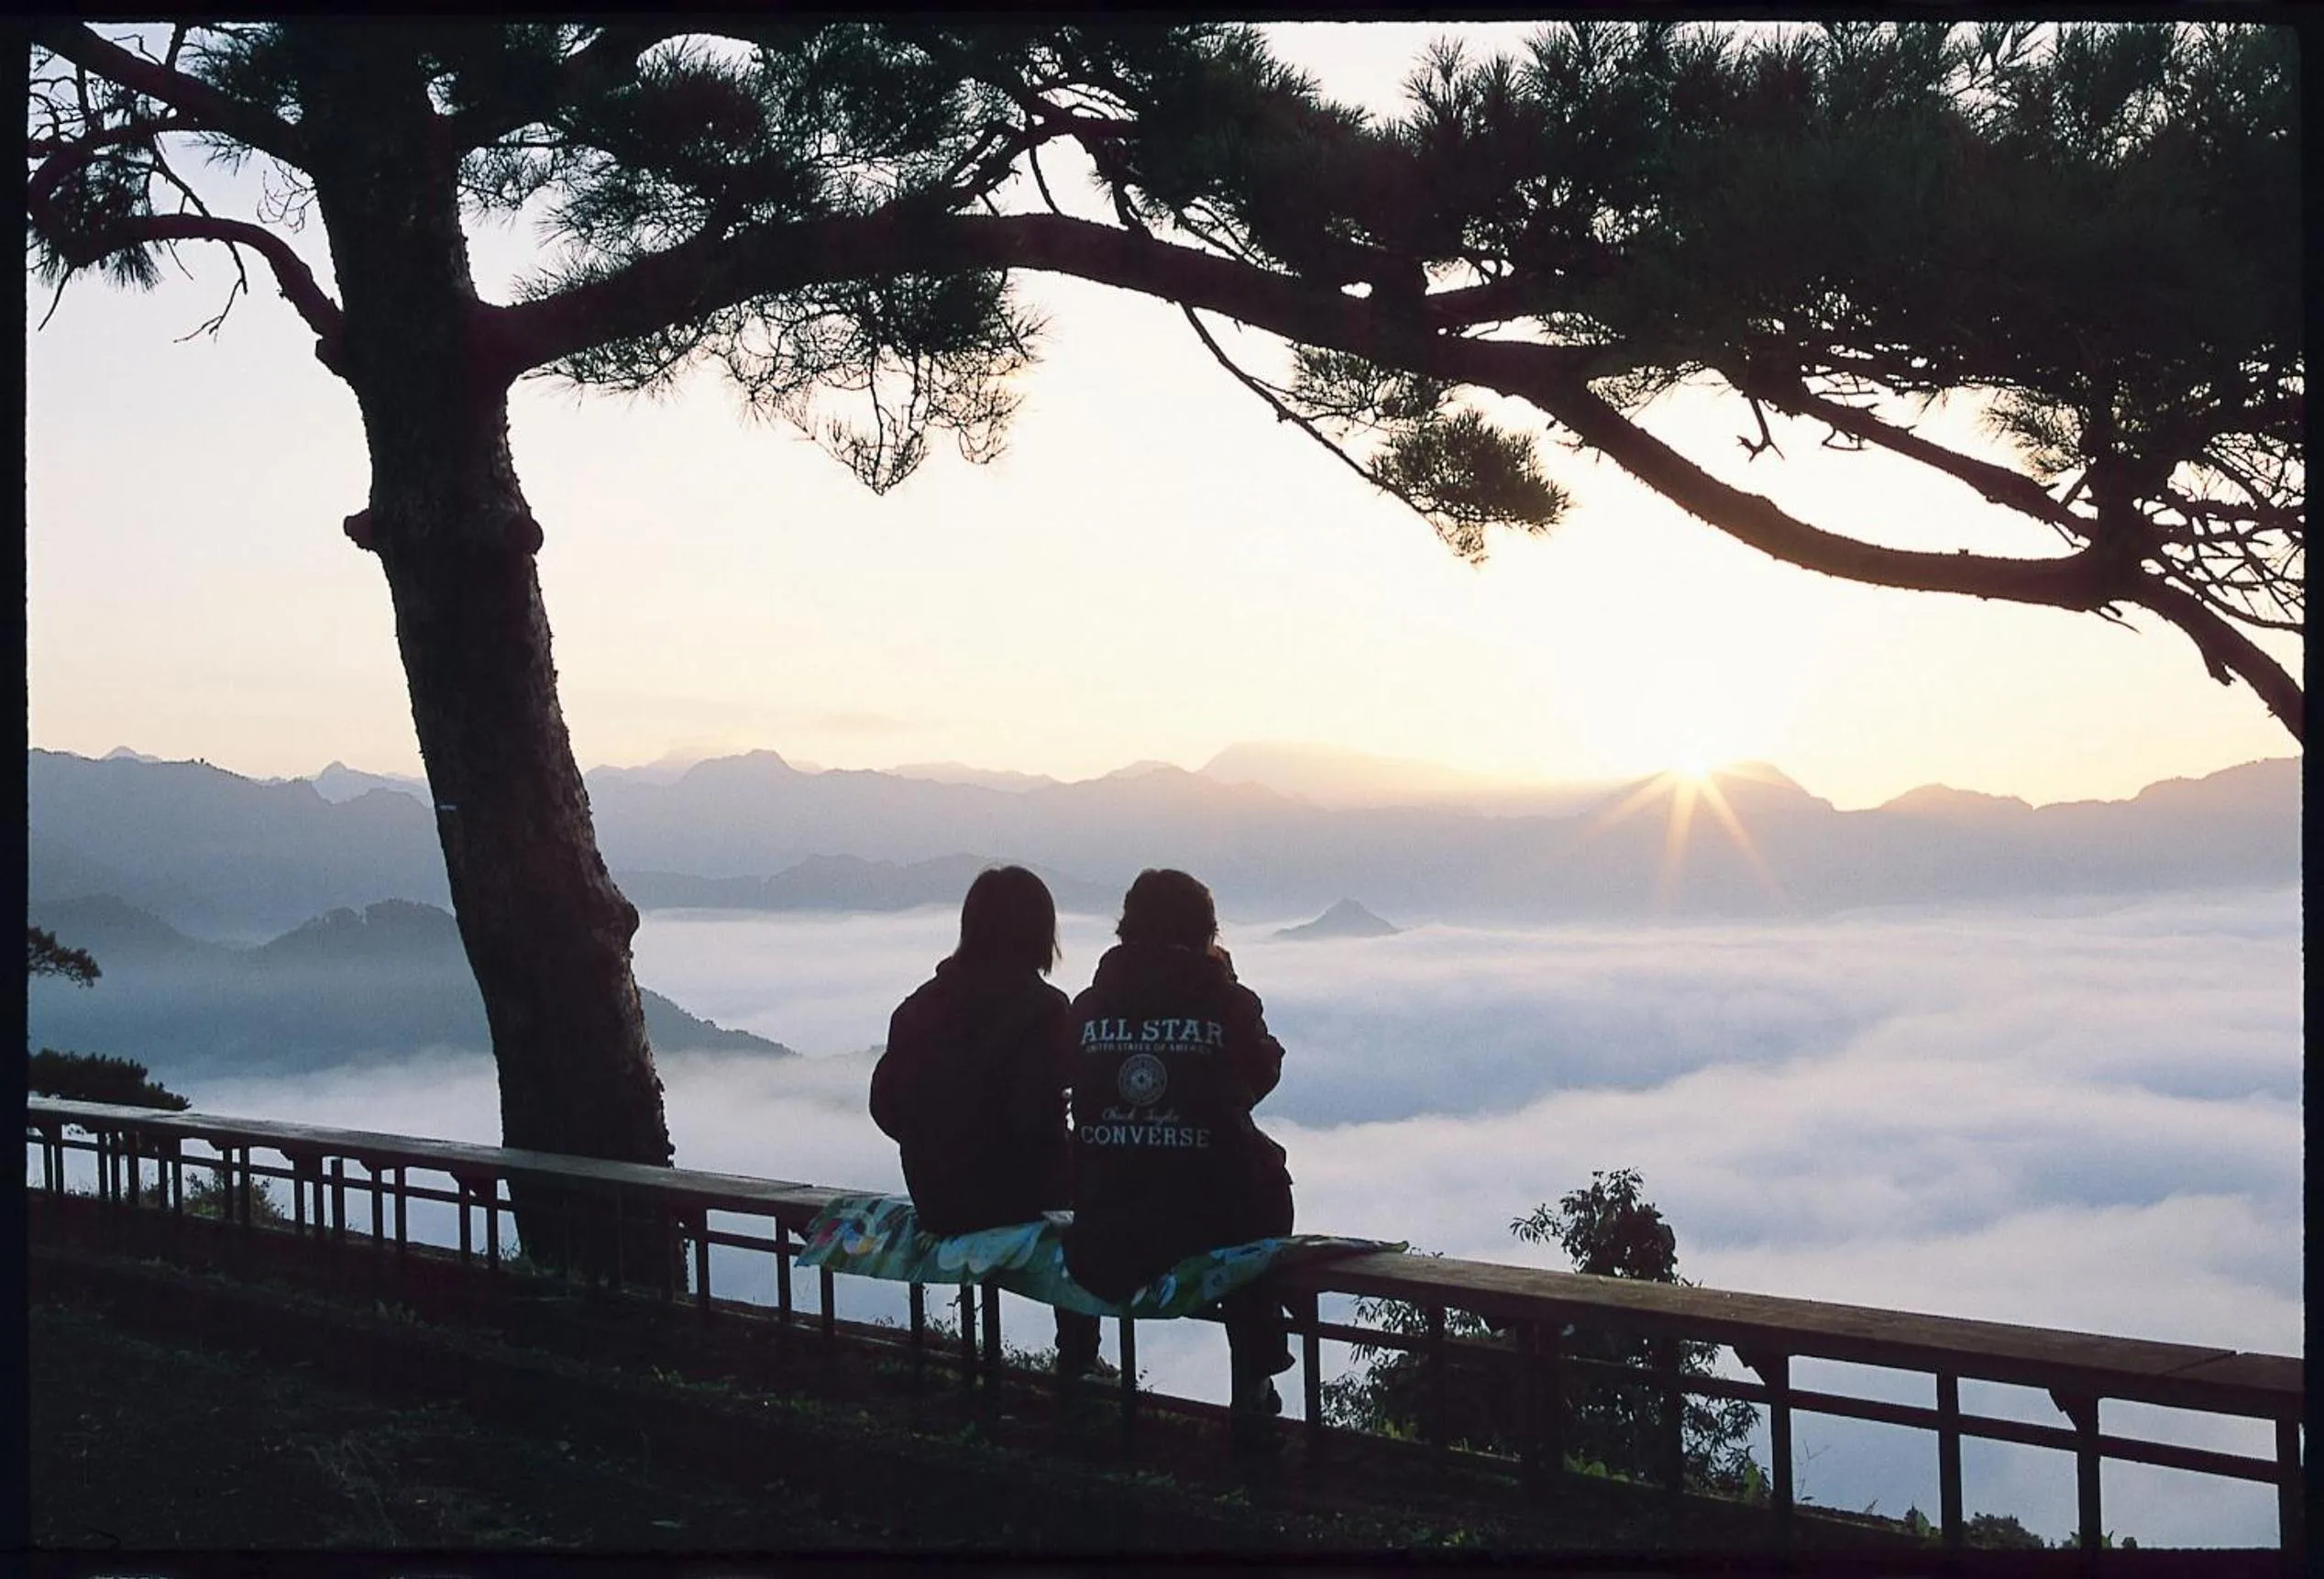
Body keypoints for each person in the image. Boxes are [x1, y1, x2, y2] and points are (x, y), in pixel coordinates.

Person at [1063, 867, 1296, 1445]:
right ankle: (1253, 1390)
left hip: (1106, 1228)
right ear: (1206, 933)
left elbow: (1069, 1081)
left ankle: (1078, 1361)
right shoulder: (1228, 1002)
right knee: (1265, 1193)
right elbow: (1258, 1074)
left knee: (1078, 1169)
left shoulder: (1089, 1007)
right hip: (1207, 1223)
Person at [871, 866, 1105, 1378]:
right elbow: (1034, 1121)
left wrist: (937, 1141)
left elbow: (884, 1106)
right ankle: (1080, 1360)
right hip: (1014, 1196)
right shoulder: (1044, 1010)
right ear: (1041, 933)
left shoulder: (918, 1007)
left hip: (936, 1200)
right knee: (1090, 1210)